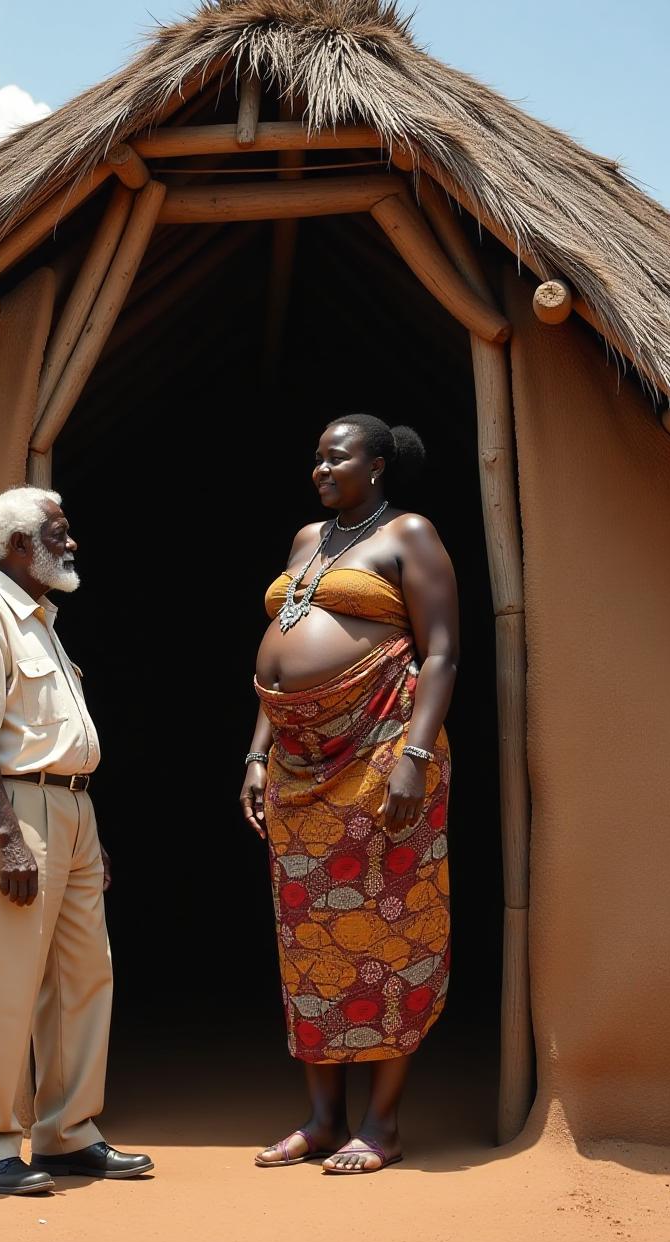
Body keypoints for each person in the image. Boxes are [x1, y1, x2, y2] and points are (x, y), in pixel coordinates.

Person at [241, 415, 458, 1175]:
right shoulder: (309, 540)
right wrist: (257, 753)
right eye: (317, 457)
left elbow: (441, 652)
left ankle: (384, 1124)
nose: (320, 468)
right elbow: (274, 664)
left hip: (382, 750)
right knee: (309, 942)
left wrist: (416, 757)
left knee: (386, 931)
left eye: (336, 456)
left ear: (377, 463)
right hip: (299, 766)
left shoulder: (410, 533)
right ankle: (323, 1119)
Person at [0, 486, 152, 1195]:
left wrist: (79, 829)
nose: (71, 542)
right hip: (15, 807)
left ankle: (66, 1134)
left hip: (69, 811)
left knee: (83, 976)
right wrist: (10, 837)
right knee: (4, 981)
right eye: (57, 532)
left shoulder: (41, 620)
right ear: (18, 545)